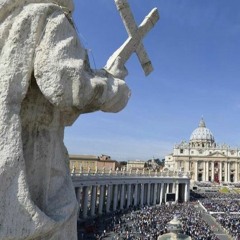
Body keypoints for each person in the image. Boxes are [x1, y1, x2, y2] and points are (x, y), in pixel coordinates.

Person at [0, 0, 130, 239]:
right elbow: (67, 88)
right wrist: (114, 87)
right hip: (36, 162)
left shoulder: (7, 20)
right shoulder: (49, 15)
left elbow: (61, 111)